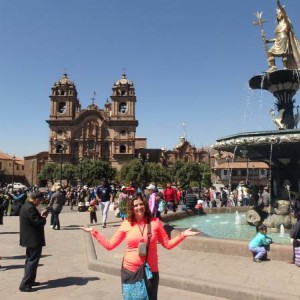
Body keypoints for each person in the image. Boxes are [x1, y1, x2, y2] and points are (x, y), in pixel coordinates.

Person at [80, 195, 198, 300]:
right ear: (132, 208)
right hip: (129, 271)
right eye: (136, 205)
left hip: (150, 271)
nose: (139, 207)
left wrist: (182, 235)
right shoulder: (126, 224)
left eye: (141, 204)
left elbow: (167, 244)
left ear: (146, 206)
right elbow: (110, 245)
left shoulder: (155, 222)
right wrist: (94, 232)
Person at [19, 191, 48, 292]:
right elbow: (38, 222)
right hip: (33, 239)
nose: (40, 202)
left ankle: (30, 280)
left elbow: (33, 220)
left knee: (30, 260)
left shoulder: (26, 206)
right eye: (39, 200)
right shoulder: (30, 208)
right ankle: (25, 284)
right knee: (32, 261)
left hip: (29, 238)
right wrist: (43, 217)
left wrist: (40, 215)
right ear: (35, 199)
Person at [266, 0, 300, 72]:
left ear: (281, 14)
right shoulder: (277, 26)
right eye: (277, 14)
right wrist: (269, 41)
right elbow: (277, 38)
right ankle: (273, 67)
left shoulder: (286, 22)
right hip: (278, 40)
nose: (277, 15)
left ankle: (285, 68)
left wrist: (279, 6)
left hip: (284, 39)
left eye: (278, 13)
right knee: (270, 52)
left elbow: (285, 13)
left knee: (284, 54)